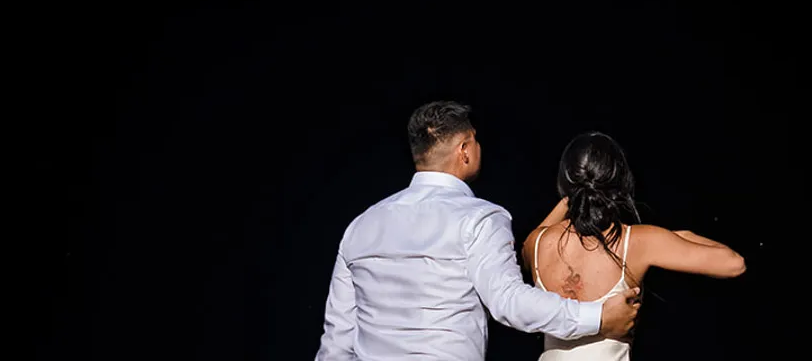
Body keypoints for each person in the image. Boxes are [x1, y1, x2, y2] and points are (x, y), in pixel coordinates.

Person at [315, 101, 641, 360]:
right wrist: (598, 316)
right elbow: (509, 303)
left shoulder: (361, 225)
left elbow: (337, 340)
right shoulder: (480, 219)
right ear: (465, 150)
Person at [520, 131, 745, 358]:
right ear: (621, 181)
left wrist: (573, 196)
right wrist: (681, 236)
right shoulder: (637, 241)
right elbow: (734, 264)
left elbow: (533, 239)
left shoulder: (537, 243)